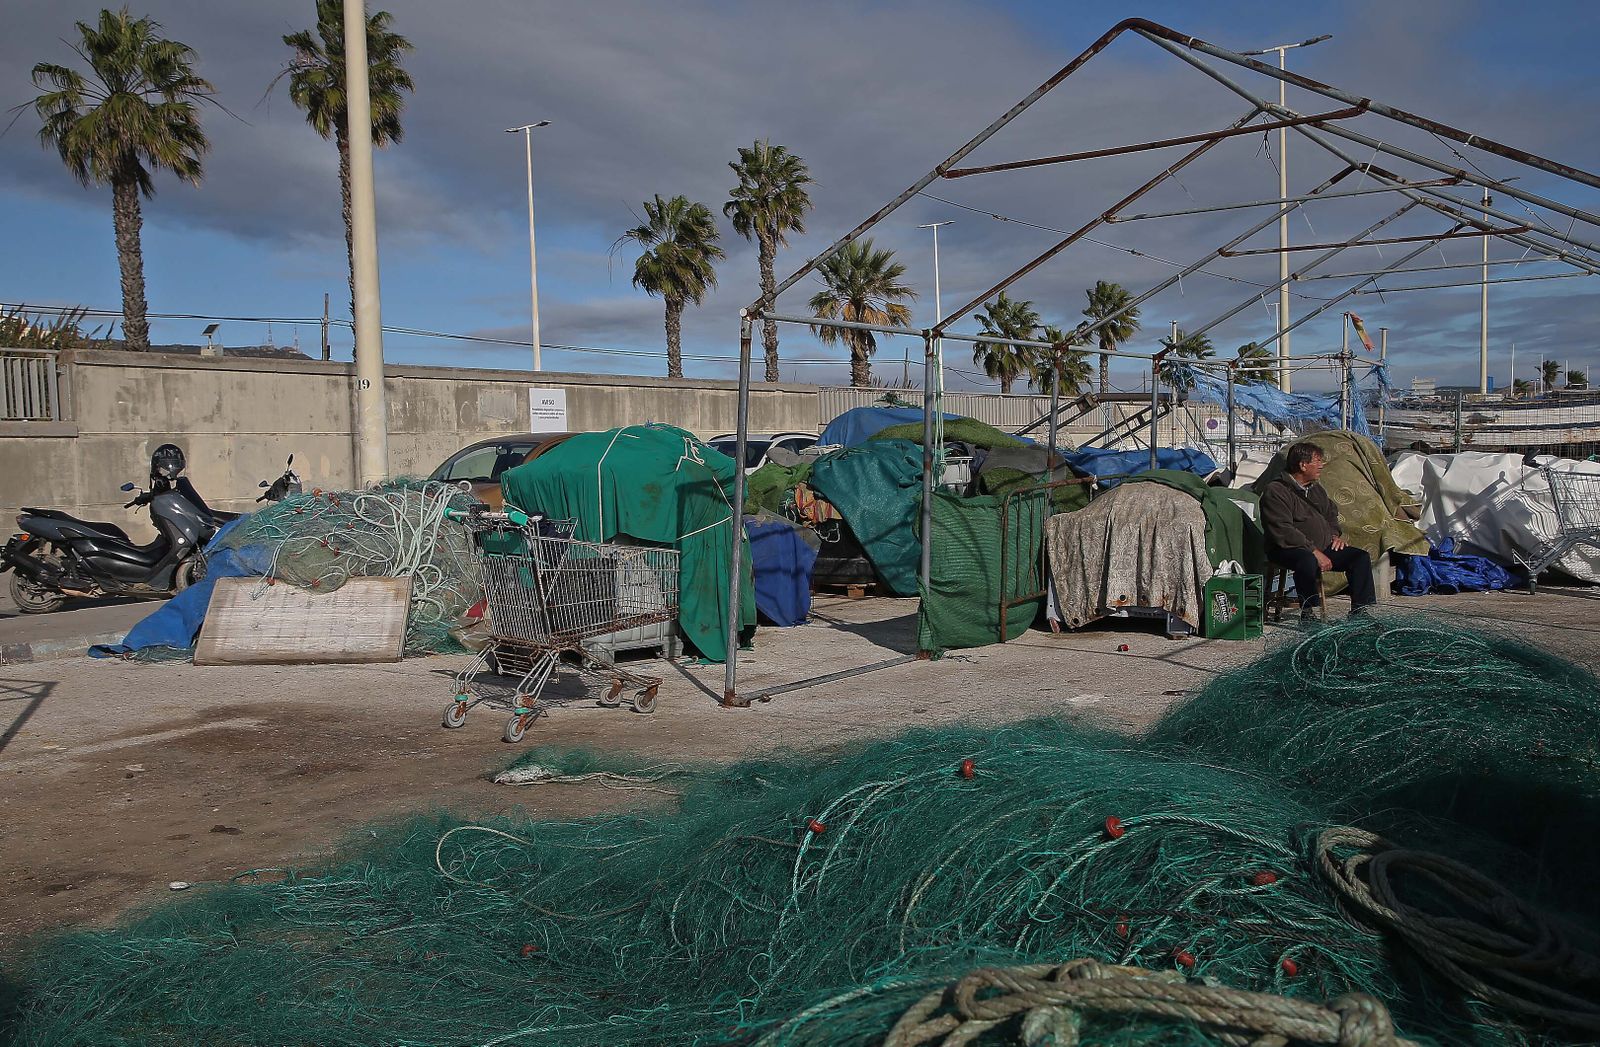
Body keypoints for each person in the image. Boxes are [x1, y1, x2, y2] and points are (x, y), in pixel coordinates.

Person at [1260, 442, 1375, 618]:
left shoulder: (1316, 490)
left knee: (1359, 558)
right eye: (1317, 461)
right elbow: (1283, 529)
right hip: (1287, 548)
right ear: (1303, 465)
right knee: (1307, 560)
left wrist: (1334, 535)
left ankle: (1360, 612)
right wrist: (1313, 551)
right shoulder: (1275, 491)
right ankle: (1309, 612)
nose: (1321, 465)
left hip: (1321, 546)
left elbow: (1331, 513)